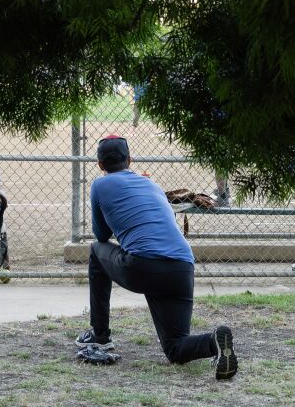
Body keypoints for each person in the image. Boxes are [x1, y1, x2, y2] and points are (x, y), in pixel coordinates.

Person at [80, 134, 237, 379]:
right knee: (175, 347)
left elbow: (101, 235)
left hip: (143, 267)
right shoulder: (151, 185)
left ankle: (99, 335)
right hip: (182, 268)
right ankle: (214, 341)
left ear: (100, 165)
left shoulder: (100, 185)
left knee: (95, 251)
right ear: (130, 160)